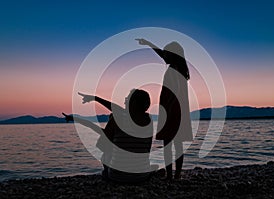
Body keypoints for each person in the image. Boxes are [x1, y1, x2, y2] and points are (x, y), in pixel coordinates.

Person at [63, 89, 154, 183]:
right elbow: (119, 110)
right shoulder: (149, 121)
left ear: (133, 103)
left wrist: (78, 119)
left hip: (117, 176)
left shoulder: (117, 118)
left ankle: (107, 170)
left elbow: (105, 140)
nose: (124, 102)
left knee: (107, 143)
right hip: (142, 176)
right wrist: (95, 99)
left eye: (127, 99)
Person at [136, 39, 193, 180]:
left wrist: (168, 107)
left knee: (168, 145)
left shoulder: (174, 70)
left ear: (172, 55)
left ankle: (171, 175)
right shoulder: (179, 68)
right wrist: (149, 43)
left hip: (171, 112)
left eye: (167, 53)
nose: (164, 56)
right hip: (176, 111)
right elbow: (161, 54)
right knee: (177, 144)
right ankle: (176, 175)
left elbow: (176, 91)